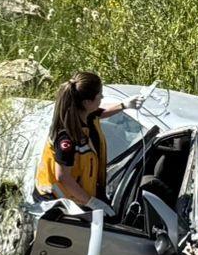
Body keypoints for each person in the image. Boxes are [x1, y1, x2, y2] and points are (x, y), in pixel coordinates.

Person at [34, 71, 137, 207]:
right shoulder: (67, 138)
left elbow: (101, 113)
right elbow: (63, 177)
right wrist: (90, 202)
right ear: (87, 102)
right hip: (60, 202)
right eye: (99, 95)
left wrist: (123, 105)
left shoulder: (84, 113)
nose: (102, 97)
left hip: (79, 196)